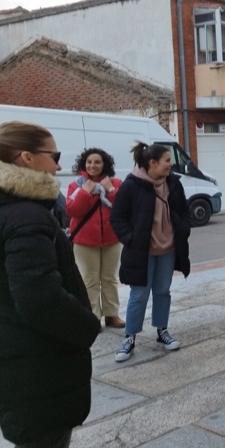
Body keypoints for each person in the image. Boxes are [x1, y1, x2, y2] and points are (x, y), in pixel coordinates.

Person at [0, 121, 100, 447]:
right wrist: (86, 326)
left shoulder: (15, 208)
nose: (58, 165)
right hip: (37, 362)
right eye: (53, 154)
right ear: (26, 158)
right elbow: (38, 297)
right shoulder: (26, 215)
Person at [111, 142, 191, 363]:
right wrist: (131, 239)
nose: (170, 165)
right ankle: (130, 337)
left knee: (162, 291)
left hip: (168, 249)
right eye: (167, 160)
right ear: (152, 163)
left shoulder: (173, 183)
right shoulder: (131, 186)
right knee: (139, 295)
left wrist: (183, 230)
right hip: (142, 252)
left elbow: (184, 211)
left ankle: (162, 331)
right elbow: (117, 218)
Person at [66, 147, 125, 330]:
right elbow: (72, 211)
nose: (93, 165)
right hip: (85, 241)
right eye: (89, 162)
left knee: (109, 278)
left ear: (104, 164)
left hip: (111, 239)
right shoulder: (76, 185)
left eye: (97, 162)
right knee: (89, 280)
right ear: (84, 163)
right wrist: (85, 192)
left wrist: (111, 190)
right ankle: (93, 317)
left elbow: (124, 207)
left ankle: (111, 315)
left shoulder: (115, 182)